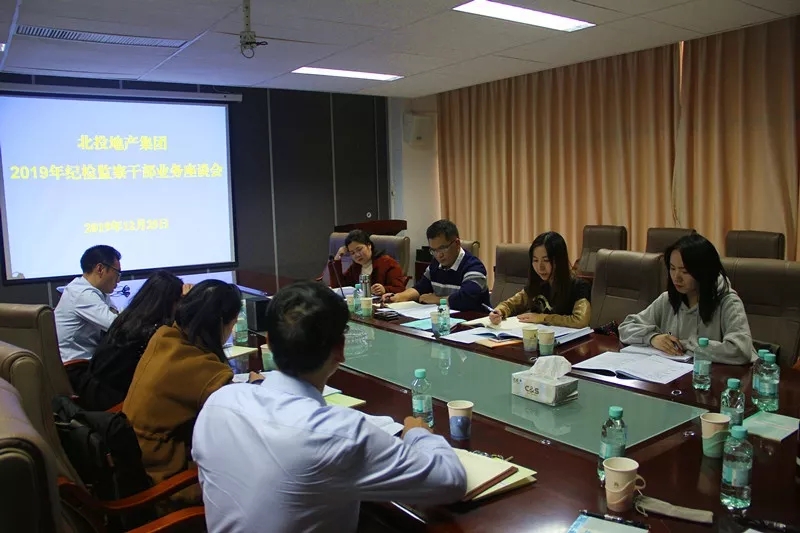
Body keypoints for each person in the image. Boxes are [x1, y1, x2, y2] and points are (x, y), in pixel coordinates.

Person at [192, 281, 467, 532]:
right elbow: (450, 480)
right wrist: (418, 433)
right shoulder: (339, 435)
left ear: (269, 343)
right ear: (340, 349)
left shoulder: (218, 403)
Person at [123, 280, 260, 502]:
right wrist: (256, 385)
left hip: (140, 458)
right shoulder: (198, 366)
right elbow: (244, 414)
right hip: (166, 478)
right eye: (233, 323)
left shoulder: (166, 336)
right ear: (220, 323)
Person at [619, 233, 757, 365]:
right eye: (672, 269)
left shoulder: (728, 302)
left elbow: (740, 350)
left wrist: (685, 345)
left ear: (703, 272)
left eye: (685, 271)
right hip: (674, 373)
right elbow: (626, 327)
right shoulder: (667, 299)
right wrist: (652, 338)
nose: (676, 277)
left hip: (715, 377)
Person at [78, 271, 189, 411]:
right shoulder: (153, 331)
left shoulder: (128, 318)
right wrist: (188, 305)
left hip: (91, 392)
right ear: (169, 302)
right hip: (113, 402)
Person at [383, 219, 489, 311]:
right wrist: (398, 297)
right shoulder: (435, 264)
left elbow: (466, 299)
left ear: (457, 243)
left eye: (443, 248)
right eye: (434, 250)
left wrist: (437, 300)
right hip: (447, 320)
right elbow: (421, 288)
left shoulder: (474, 266)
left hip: (474, 322)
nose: (439, 255)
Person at [490, 232, 591, 328]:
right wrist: (500, 311)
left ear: (559, 260)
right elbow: (511, 304)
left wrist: (543, 318)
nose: (540, 267)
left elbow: (580, 320)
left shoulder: (578, 285)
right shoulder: (537, 282)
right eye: (535, 260)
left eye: (546, 260)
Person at [55, 245, 122, 391]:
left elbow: (118, 316)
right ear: (100, 269)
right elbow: (117, 325)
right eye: (117, 273)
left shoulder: (98, 292)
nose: (118, 281)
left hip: (89, 364)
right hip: (75, 370)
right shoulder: (82, 293)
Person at [329, 230, 407, 296]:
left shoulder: (387, 263)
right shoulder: (356, 267)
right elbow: (339, 286)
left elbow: (400, 289)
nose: (357, 255)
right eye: (352, 253)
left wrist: (385, 289)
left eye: (359, 249)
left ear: (369, 245)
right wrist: (337, 258)